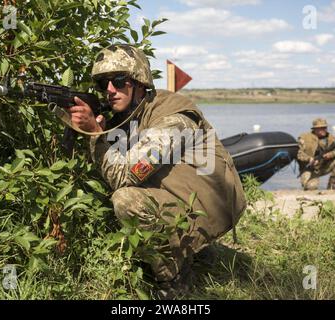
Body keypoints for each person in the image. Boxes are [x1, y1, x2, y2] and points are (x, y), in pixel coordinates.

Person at [66, 44, 246, 298]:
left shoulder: (173, 118)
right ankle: (198, 253)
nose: (109, 90)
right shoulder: (132, 115)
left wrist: (96, 135)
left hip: (214, 202)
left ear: (140, 82)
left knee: (126, 200)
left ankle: (173, 281)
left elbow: (123, 177)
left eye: (118, 81)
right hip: (187, 196)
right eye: (103, 83)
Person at [297, 118, 335, 190]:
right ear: (314, 129)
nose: (323, 130)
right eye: (320, 128)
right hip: (309, 169)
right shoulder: (304, 138)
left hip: (323, 166)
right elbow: (299, 154)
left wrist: (330, 154)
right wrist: (309, 159)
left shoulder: (332, 138)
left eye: (325, 127)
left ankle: (332, 184)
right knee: (311, 188)